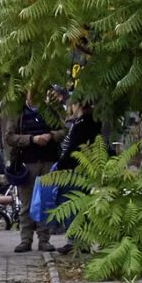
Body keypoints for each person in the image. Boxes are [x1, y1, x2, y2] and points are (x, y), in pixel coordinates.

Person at [4, 90, 65, 253]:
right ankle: (25, 239)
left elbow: (63, 130)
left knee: (46, 201)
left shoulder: (50, 111)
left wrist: (50, 136)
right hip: (28, 162)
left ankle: (44, 239)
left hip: (49, 160)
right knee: (27, 203)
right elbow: (9, 137)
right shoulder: (19, 113)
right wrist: (31, 139)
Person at [54, 101, 102, 255]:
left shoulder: (82, 123)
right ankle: (80, 240)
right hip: (82, 169)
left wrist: (60, 165)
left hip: (74, 171)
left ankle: (75, 241)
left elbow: (72, 148)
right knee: (80, 206)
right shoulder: (90, 122)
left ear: (78, 105)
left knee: (71, 204)